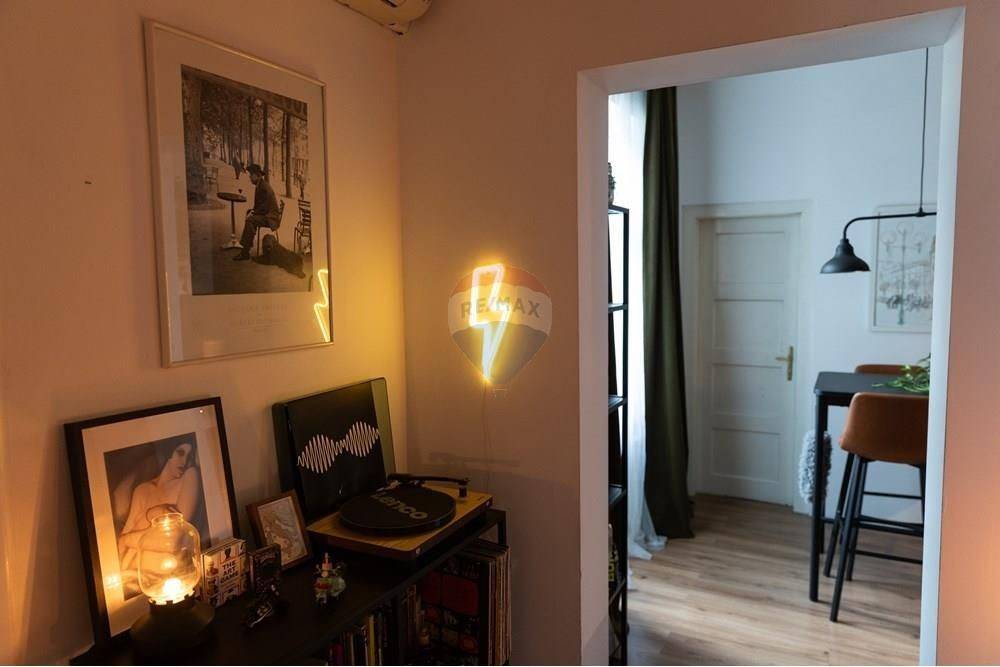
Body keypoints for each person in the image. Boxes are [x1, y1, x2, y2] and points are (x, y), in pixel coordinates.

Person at [234, 164, 281, 261]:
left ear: (257, 175)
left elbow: (264, 207)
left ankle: (245, 252)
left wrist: (254, 213)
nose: (250, 177)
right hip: (268, 215)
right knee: (249, 215)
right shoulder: (260, 184)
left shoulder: (263, 187)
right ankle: (247, 244)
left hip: (270, 218)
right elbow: (261, 205)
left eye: (251, 175)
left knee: (250, 220)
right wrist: (252, 211)